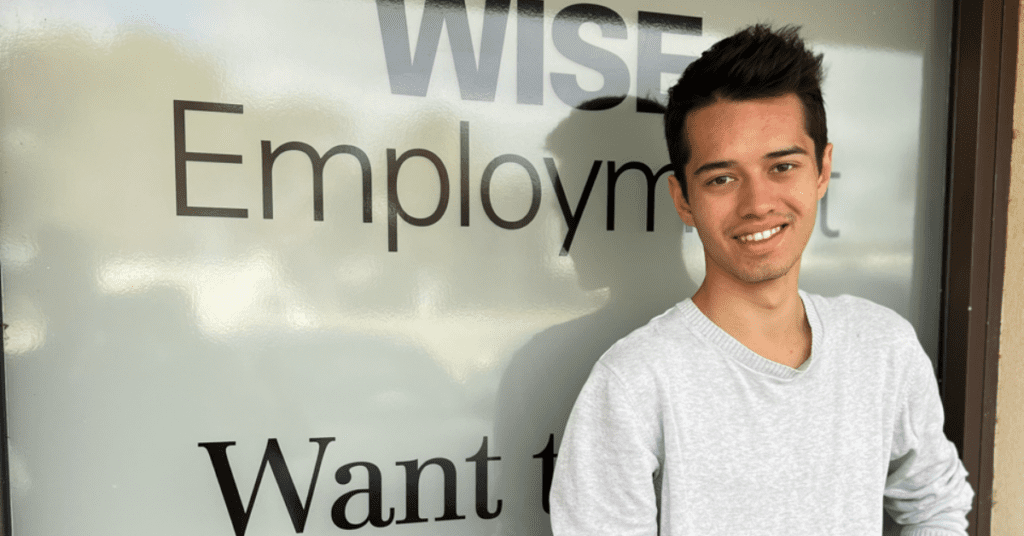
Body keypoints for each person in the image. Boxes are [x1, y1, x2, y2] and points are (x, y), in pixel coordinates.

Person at [549, 24, 973, 535]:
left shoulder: (882, 347)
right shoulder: (635, 382)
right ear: (683, 198)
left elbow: (937, 504)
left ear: (822, 171)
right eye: (721, 178)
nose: (757, 204)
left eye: (782, 167)